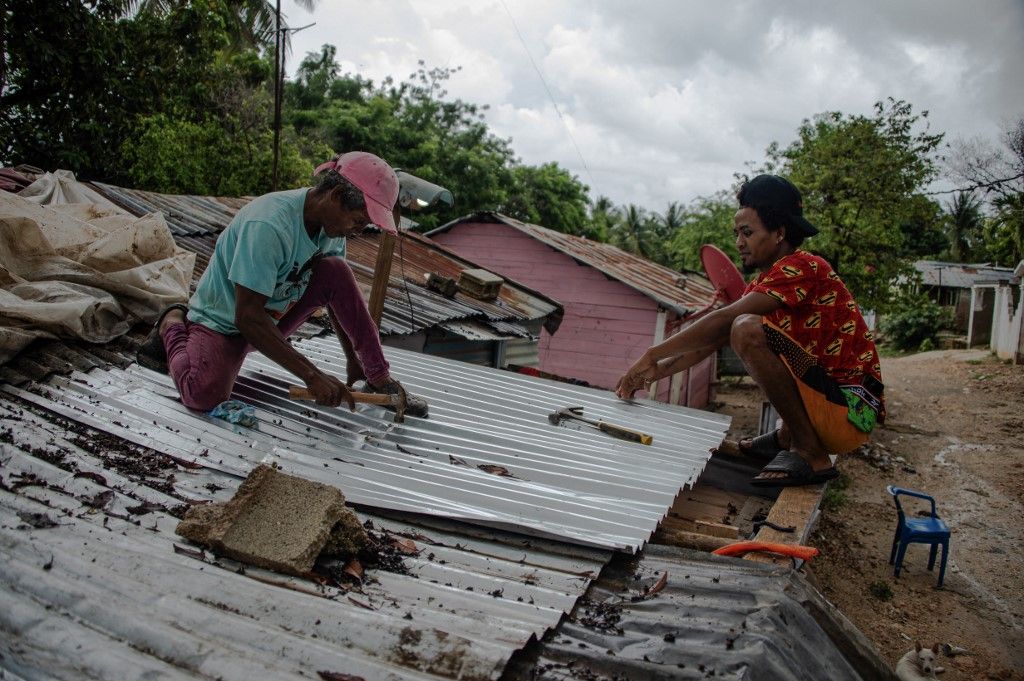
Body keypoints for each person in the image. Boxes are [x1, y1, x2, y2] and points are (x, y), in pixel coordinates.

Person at [615, 174, 884, 487]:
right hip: (829, 406)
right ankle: (787, 438)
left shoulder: (805, 266)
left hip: (846, 411)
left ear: (779, 233)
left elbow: (728, 319)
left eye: (747, 232)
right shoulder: (766, 284)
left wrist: (653, 352)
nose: (738, 242)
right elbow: (711, 340)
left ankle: (809, 451)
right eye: (737, 233)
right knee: (740, 326)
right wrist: (651, 373)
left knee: (745, 328)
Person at [137, 151, 426, 417]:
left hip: (270, 321)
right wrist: (312, 377)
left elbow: (339, 301)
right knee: (203, 395)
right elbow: (247, 317)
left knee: (336, 270)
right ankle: (172, 324)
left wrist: (355, 362)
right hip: (225, 324)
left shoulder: (332, 231)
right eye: (358, 220)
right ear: (336, 196)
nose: (359, 230)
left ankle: (379, 379)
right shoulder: (269, 225)